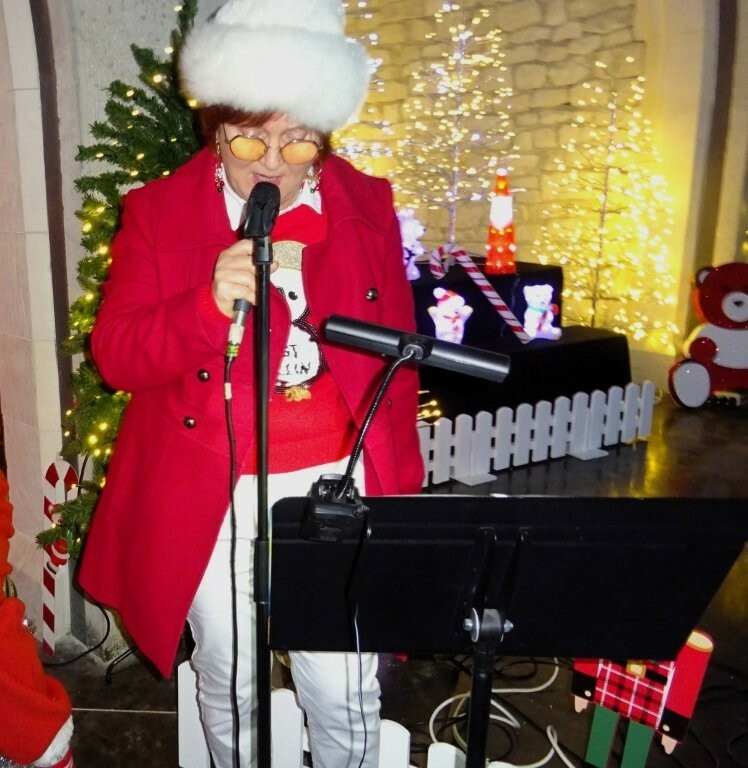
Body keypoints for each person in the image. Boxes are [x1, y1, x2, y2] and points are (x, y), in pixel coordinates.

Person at [76, 1, 424, 767]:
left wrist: (396, 488)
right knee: (230, 678)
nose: (271, 162)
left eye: (297, 140)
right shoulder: (159, 213)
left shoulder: (366, 205)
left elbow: (398, 363)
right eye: (248, 138)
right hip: (211, 488)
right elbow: (118, 355)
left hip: (335, 485)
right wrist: (204, 304)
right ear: (215, 130)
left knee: (343, 686)